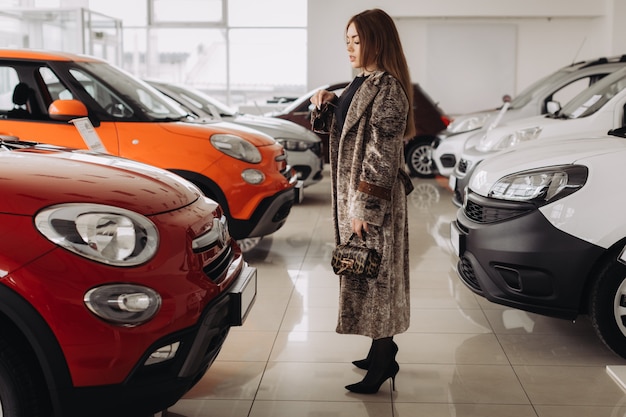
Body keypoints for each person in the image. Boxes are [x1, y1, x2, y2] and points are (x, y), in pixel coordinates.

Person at [310, 8, 415, 394]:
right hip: (354, 197)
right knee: (367, 276)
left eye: (357, 41)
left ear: (377, 41)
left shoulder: (389, 89)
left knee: (377, 277)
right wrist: (326, 104)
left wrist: (366, 209)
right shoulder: (364, 81)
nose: (350, 48)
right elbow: (341, 134)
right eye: (347, 41)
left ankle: (384, 360)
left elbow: (381, 154)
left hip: (372, 202)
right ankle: (379, 348)